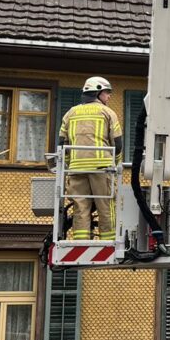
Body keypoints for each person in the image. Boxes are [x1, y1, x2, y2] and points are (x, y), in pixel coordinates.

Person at [58, 76, 122, 241]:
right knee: (106, 207)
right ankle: (108, 241)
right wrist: (114, 165)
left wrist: (66, 167)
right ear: (98, 93)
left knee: (80, 208)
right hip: (101, 169)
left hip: (76, 169)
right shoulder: (108, 112)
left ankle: (81, 241)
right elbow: (118, 143)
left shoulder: (70, 113)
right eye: (107, 93)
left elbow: (61, 144)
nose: (108, 97)